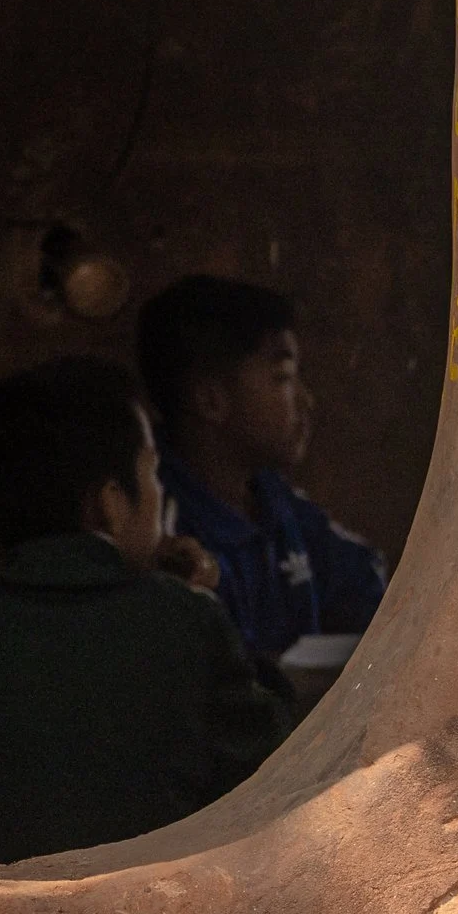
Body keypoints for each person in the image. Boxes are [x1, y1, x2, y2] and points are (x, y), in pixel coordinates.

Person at [0, 357, 291, 866]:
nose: (161, 495)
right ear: (111, 503)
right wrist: (196, 605)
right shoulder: (186, 620)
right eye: (153, 471)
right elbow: (272, 771)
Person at [136, 275, 389, 669]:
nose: (307, 400)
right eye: (283, 378)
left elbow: (371, 583)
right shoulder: (162, 528)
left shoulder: (275, 501)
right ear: (212, 400)